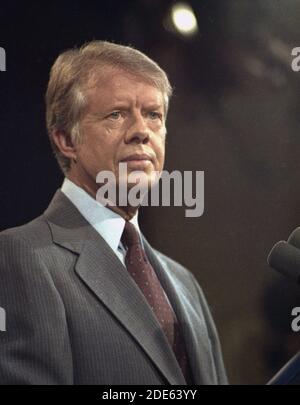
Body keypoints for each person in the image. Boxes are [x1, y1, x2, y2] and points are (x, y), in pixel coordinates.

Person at [0, 41, 227, 385]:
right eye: (117, 114)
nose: (142, 131)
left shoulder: (184, 282)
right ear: (66, 139)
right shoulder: (20, 257)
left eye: (153, 115)